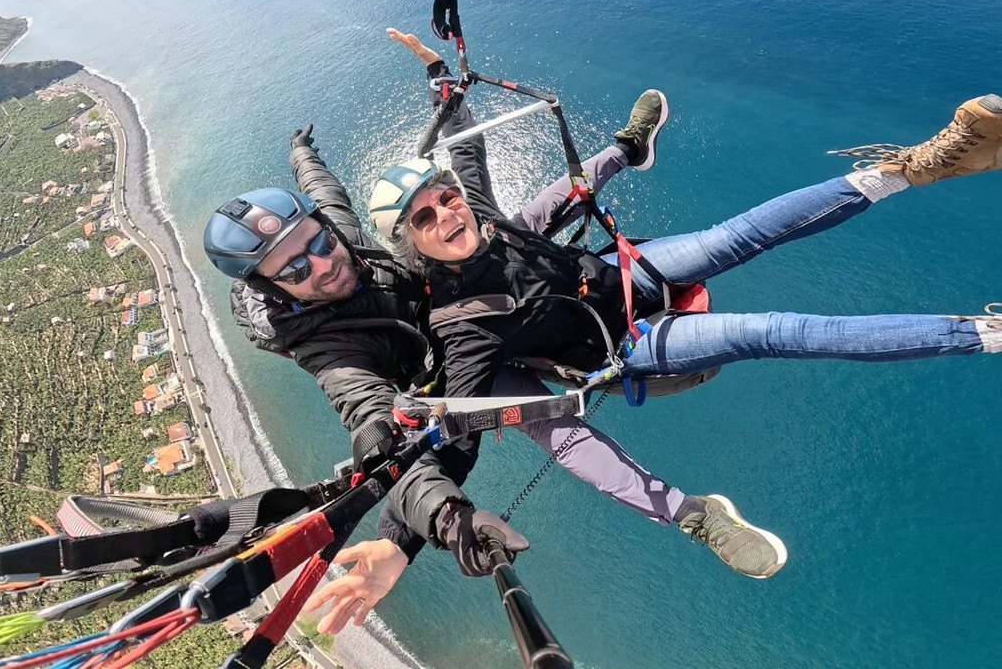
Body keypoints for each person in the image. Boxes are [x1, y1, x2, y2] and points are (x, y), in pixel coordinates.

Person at [206, 31, 779, 614]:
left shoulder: (338, 243)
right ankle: (691, 513)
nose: (322, 262)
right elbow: (382, 438)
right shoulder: (330, 351)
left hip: (459, 283)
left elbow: (333, 191)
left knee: (527, 214)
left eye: (319, 242)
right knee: (557, 429)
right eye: (297, 268)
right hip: (459, 368)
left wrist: (417, 100)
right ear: (272, 286)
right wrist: (409, 539)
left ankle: (628, 149)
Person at [371, 94, 1002, 442]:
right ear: (413, 244)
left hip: (629, 274)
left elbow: (473, 156)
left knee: (743, 231)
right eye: (423, 220)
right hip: (628, 344)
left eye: (444, 198)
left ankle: (913, 167)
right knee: (777, 332)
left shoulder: (486, 216)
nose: (446, 216)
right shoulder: (461, 326)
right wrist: (405, 424)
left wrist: (443, 88)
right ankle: (984, 334)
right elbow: (459, 409)